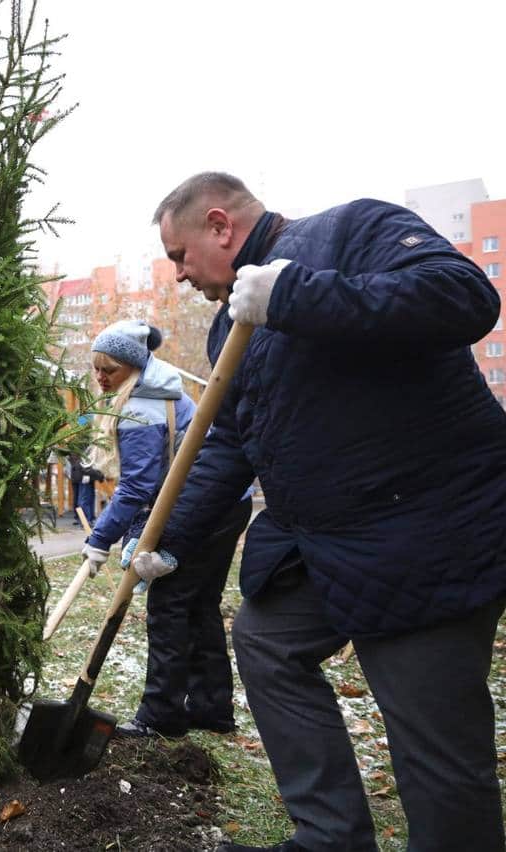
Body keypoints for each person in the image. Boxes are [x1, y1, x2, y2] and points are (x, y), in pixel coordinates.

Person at [136, 172, 506, 851]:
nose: (181, 277)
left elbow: (464, 298)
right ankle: (330, 836)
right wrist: (167, 539)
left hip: (427, 537)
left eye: (180, 256)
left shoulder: (352, 231)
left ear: (220, 226)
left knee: (432, 741)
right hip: (329, 543)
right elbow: (230, 443)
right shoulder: (231, 330)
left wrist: (294, 295)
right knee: (267, 640)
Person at [78, 321, 251, 738]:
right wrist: (134, 530)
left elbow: (137, 487)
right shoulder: (161, 388)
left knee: (170, 604)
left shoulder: (140, 407)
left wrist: (100, 539)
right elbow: (155, 482)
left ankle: (162, 714)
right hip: (228, 501)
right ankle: (211, 707)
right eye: (96, 368)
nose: (101, 377)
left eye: (110, 370)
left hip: (204, 505)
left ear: (133, 369)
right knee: (199, 603)